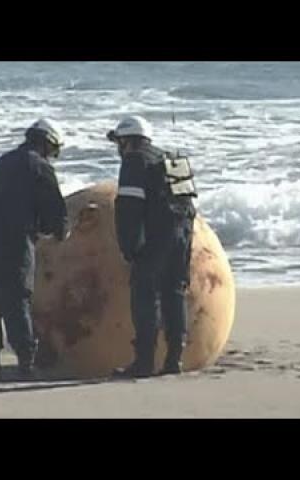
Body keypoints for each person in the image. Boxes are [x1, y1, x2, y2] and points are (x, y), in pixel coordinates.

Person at [0, 118, 69, 382]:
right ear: (47, 144)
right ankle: (26, 364)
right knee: (17, 306)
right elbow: (56, 213)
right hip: (15, 246)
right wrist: (61, 235)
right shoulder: (40, 168)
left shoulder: (1, 163)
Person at [107, 115, 197, 378]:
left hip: (157, 238)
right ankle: (174, 360)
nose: (119, 149)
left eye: (119, 142)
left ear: (127, 141)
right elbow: (188, 206)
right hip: (183, 234)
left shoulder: (135, 161)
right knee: (174, 292)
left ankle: (144, 362)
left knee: (145, 294)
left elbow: (129, 209)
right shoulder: (171, 159)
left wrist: (129, 249)